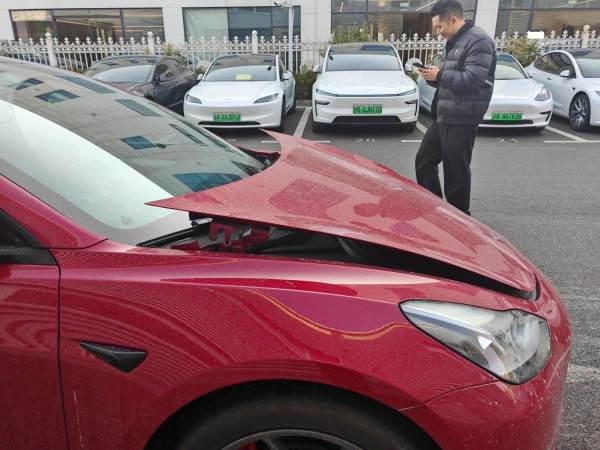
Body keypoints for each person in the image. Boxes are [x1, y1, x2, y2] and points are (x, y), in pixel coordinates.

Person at [415, 0, 496, 216]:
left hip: (462, 118)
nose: (437, 32)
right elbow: (453, 78)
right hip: (443, 115)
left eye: (439, 27)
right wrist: (434, 77)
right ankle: (436, 211)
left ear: (452, 19)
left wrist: (440, 76)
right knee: (424, 162)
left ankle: (460, 219)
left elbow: (473, 80)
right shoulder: (455, 40)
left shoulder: (478, 40)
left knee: (456, 172)